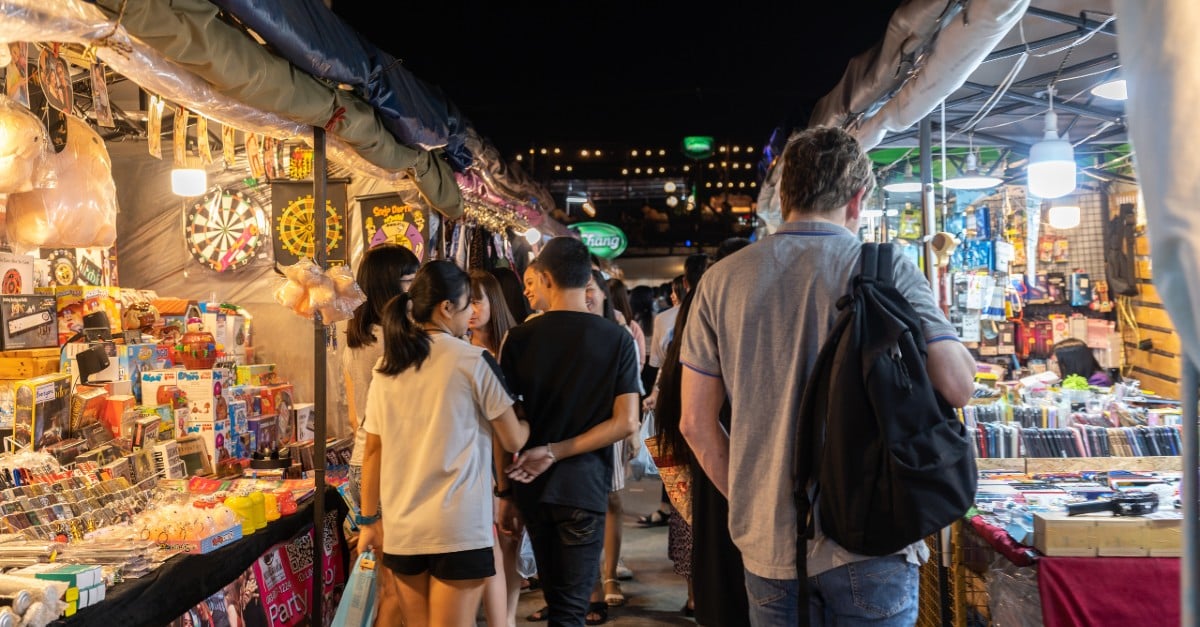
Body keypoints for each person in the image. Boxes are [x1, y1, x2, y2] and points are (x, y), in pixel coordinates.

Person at [680, 126, 975, 626]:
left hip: (768, 547)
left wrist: (755, 496)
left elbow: (694, 423)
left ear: (784, 194)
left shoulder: (721, 279)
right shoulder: (884, 269)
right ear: (857, 199)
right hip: (872, 539)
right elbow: (958, 386)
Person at [357, 260, 530, 627]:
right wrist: (531, 423)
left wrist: (368, 521)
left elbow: (373, 450)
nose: (470, 315)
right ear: (446, 307)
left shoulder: (388, 367)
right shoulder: (472, 360)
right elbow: (513, 437)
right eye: (467, 305)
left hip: (404, 530)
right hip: (459, 528)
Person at [497, 237, 641, 627]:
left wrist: (504, 492)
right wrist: (559, 451)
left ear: (544, 278)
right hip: (584, 488)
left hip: (531, 486)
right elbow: (627, 422)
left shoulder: (518, 338)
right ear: (588, 279)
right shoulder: (617, 339)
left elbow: (504, 422)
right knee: (571, 611)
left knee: (558, 601)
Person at [341, 243, 419, 620]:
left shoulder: (356, 338)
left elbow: (356, 417)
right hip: (386, 465)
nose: (416, 290)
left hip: (362, 464)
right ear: (390, 286)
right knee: (394, 586)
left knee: (388, 583)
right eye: (410, 281)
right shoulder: (393, 340)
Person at [468, 269, 522, 627]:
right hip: (477, 460)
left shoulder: (514, 346)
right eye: (465, 302)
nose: (470, 309)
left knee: (509, 547)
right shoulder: (460, 349)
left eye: (477, 301)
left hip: (514, 457)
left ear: (493, 302)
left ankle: (509, 617)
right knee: (484, 550)